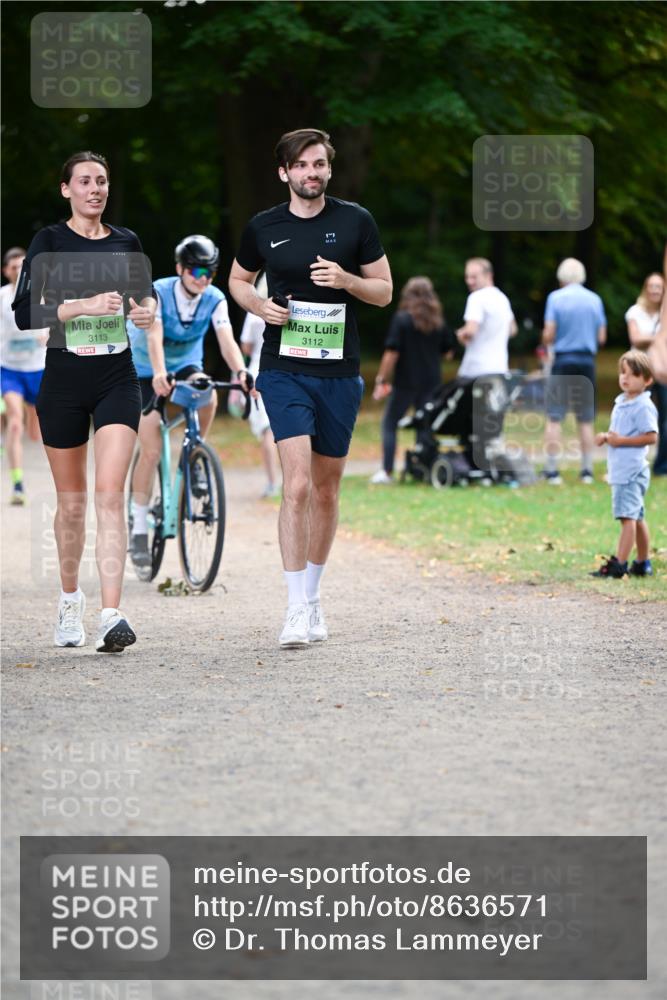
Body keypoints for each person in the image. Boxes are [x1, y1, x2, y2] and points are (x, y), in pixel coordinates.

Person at [228, 127, 392, 647]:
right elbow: (235, 281)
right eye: (301, 166)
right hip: (282, 369)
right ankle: (294, 606)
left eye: (319, 164)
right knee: (295, 485)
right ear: (285, 173)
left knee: (326, 489)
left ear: (328, 169)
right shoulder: (263, 227)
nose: (312, 173)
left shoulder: (355, 220)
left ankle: (315, 595)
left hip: (339, 374)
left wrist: (347, 282)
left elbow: (384, 291)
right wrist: (259, 305)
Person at [12, 151, 156, 652]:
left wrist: (145, 313)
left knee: (108, 495)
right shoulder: (49, 242)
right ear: (66, 190)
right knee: (72, 505)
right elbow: (25, 312)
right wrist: (82, 306)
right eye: (85, 182)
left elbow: (144, 298)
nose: (95, 189)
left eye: (102, 181)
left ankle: (111, 614)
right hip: (64, 382)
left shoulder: (126, 242)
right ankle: (70, 600)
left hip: (117, 377)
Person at [126, 235, 250, 567]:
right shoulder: (159, 292)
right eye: (196, 271)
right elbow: (153, 335)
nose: (203, 278)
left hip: (185, 364)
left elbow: (226, 340)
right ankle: (138, 525)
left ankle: (196, 454)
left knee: (207, 392)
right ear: (180, 268)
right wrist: (158, 373)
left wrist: (240, 372)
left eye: (209, 272)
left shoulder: (214, 298)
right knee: (151, 449)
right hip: (143, 366)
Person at [370, 276, 451, 484]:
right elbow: (448, 352)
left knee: (390, 423)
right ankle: (422, 468)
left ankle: (387, 471)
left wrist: (381, 378)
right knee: (424, 424)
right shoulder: (437, 322)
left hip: (406, 381)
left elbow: (392, 352)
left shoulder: (402, 319)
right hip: (432, 381)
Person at [591, 350, 658, 578]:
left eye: (633, 374)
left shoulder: (643, 406)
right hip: (622, 469)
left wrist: (621, 441)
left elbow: (651, 436)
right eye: (622, 372)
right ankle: (642, 563)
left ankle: (619, 564)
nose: (625, 378)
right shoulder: (622, 402)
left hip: (631, 471)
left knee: (627, 518)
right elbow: (620, 433)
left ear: (647, 380)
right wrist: (607, 437)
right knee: (636, 517)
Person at [541, 258, 607, 484]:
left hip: (562, 361)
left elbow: (549, 334)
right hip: (586, 361)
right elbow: (601, 337)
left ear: (561, 277)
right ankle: (587, 470)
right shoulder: (595, 300)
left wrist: (548, 339)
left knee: (554, 417)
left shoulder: (555, 298)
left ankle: (552, 471)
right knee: (585, 418)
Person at [1, 246, 48, 504]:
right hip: (9, 370)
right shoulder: (1, 298)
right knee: (15, 422)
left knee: (36, 432)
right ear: (6, 271)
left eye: (23, 266)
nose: (19, 271)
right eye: (14, 267)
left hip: (37, 370)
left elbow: (59, 322)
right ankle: (18, 484)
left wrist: (48, 333)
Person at [238, 273, 280, 498]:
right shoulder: (287, 309)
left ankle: (273, 482)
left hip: (257, 372)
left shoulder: (255, 313)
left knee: (267, 430)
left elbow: (246, 347)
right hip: (281, 371)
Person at [625, 271, 666, 476]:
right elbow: (636, 338)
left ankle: (662, 465)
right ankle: (631, 464)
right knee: (635, 416)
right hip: (640, 371)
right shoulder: (635, 312)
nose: (655, 290)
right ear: (645, 288)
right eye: (652, 286)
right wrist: (659, 336)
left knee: (665, 419)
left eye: (659, 286)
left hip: (664, 370)